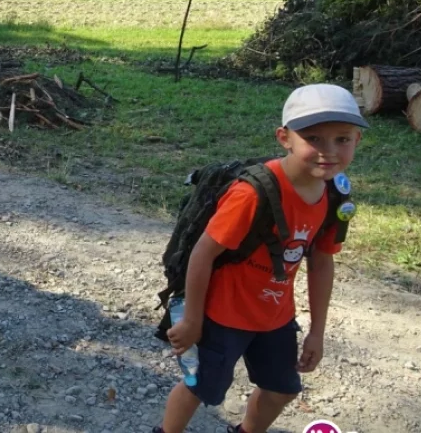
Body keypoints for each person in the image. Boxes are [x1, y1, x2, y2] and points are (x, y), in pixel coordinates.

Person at [153, 84, 367, 433]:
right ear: (284, 138)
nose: (329, 152)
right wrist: (192, 320)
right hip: (221, 316)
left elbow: (322, 261)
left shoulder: (334, 194)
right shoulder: (253, 193)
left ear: (357, 139)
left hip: (275, 316)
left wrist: (317, 332)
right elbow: (202, 252)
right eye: (313, 138)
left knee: (281, 389)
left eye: (342, 139)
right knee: (199, 387)